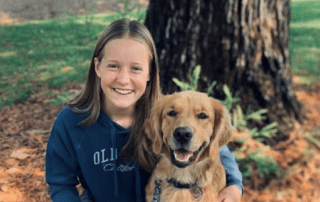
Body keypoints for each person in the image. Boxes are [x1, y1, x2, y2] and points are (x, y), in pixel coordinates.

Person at [45, 19, 243, 202]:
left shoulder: (163, 113)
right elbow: (61, 183)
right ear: (98, 67)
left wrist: (234, 184)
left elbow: (213, 145)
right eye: (113, 66)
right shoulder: (71, 121)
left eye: (136, 69)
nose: (123, 79)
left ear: (150, 72)